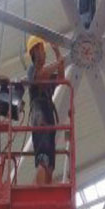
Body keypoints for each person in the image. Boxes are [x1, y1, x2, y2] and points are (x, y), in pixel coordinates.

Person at [26, 35, 64, 185]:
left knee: (50, 162)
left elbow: (61, 78)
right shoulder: (32, 70)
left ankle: (46, 187)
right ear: (35, 51)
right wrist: (58, 62)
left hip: (48, 115)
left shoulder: (47, 73)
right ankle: (41, 189)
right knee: (43, 157)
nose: (44, 52)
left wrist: (57, 52)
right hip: (39, 115)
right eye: (42, 49)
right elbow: (40, 77)